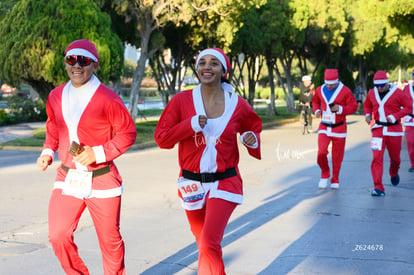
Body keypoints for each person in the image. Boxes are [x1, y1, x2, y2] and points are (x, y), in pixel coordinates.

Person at [154, 48, 262, 275]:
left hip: (225, 182)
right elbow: (162, 139)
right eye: (202, 62)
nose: (207, 67)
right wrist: (190, 124)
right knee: (204, 244)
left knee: (209, 243)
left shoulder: (237, 104)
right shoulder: (182, 100)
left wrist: (250, 140)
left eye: (214, 63)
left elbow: (252, 127)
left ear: (223, 70)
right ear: (196, 68)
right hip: (191, 183)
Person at [37, 39, 137, 274]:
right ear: (65, 63)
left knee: (110, 241)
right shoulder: (55, 95)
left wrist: (98, 152)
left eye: (84, 60)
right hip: (68, 177)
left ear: (94, 65)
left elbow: (128, 133)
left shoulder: (108, 98)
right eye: (72, 59)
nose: (77, 65)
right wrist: (48, 151)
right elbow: (53, 125)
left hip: (102, 178)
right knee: (58, 235)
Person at [364, 70, 413, 196]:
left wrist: (396, 115)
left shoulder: (398, 93)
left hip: (394, 131)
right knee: (376, 158)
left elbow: (409, 107)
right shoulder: (371, 93)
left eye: (382, 86)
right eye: (377, 86)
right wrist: (368, 114)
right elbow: (367, 105)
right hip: (378, 129)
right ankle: (378, 187)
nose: (379, 88)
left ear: (387, 83)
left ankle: (393, 172)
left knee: (395, 159)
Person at [312, 68, 357, 189]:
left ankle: (335, 178)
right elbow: (315, 101)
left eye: (332, 84)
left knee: (337, 157)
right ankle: (324, 173)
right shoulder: (320, 89)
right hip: (324, 126)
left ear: (337, 81)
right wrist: (316, 110)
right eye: (327, 84)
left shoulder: (345, 91)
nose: (329, 86)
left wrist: (341, 109)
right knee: (321, 152)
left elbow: (353, 107)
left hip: (339, 128)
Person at [403, 69, 414, 172]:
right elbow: (401, 102)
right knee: (411, 142)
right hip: (410, 119)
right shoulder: (407, 88)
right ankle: (413, 164)